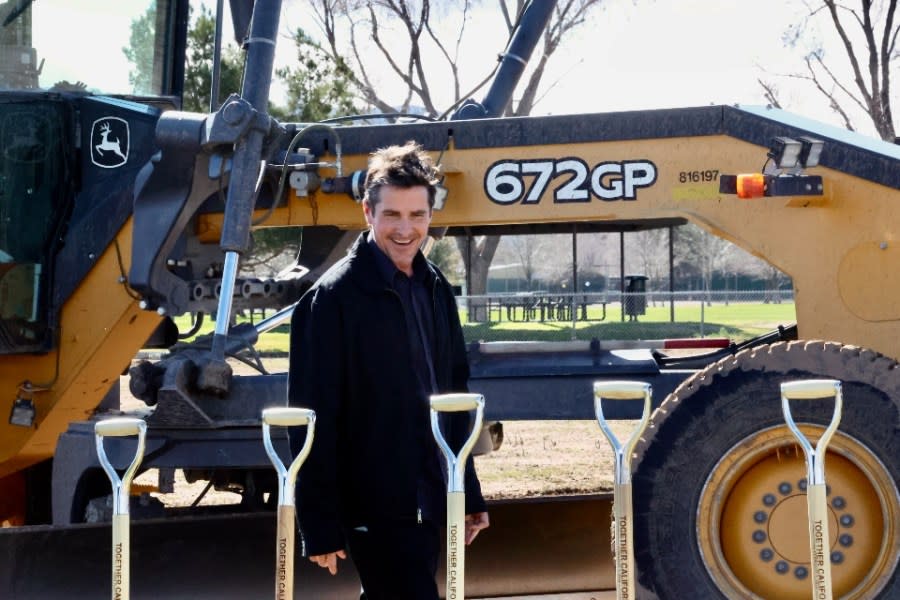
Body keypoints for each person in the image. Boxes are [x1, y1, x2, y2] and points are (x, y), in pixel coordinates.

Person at [288, 141, 489, 599]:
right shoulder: (332, 300)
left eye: (417, 215)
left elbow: (453, 394)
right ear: (368, 213)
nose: (406, 229)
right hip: (371, 503)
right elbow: (309, 415)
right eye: (393, 215)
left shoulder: (437, 290)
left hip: (431, 495)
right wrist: (318, 522)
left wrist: (468, 490)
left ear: (431, 216)